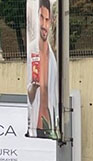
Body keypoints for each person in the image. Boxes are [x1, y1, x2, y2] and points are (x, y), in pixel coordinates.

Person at [27, 0, 59, 138]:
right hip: (36, 126)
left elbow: (55, 94)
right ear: (36, 17)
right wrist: (33, 88)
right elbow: (29, 93)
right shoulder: (31, 51)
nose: (44, 25)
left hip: (52, 126)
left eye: (47, 20)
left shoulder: (53, 58)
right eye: (41, 18)